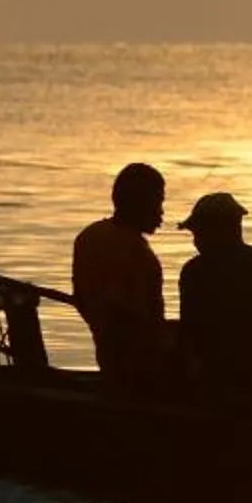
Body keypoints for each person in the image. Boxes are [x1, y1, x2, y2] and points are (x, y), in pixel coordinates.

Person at [175, 191, 252, 413]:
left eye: (198, 232)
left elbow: (191, 333)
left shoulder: (195, 272)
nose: (196, 241)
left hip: (216, 389)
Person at [72, 161, 173, 395]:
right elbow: (125, 321)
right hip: (138, 375)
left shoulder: (90, 236)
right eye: (158, 202)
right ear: (139, 203)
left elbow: (85, 301)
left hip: (111, 362)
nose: (161, 213)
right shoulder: (134, 252)